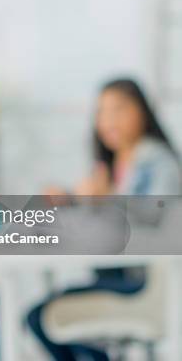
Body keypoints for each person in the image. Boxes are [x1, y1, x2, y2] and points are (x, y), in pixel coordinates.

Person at [28, 78, 181, 360]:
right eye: (102, 112)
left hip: (140, 286)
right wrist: (71, 199)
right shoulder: (112, 167)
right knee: (39, 317)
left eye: (119, 109)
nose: (109, 120)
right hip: (115, 277)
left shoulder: (160, 164)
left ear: (143, 113)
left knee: (42, 317)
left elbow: (155, 218)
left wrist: (106, 197)